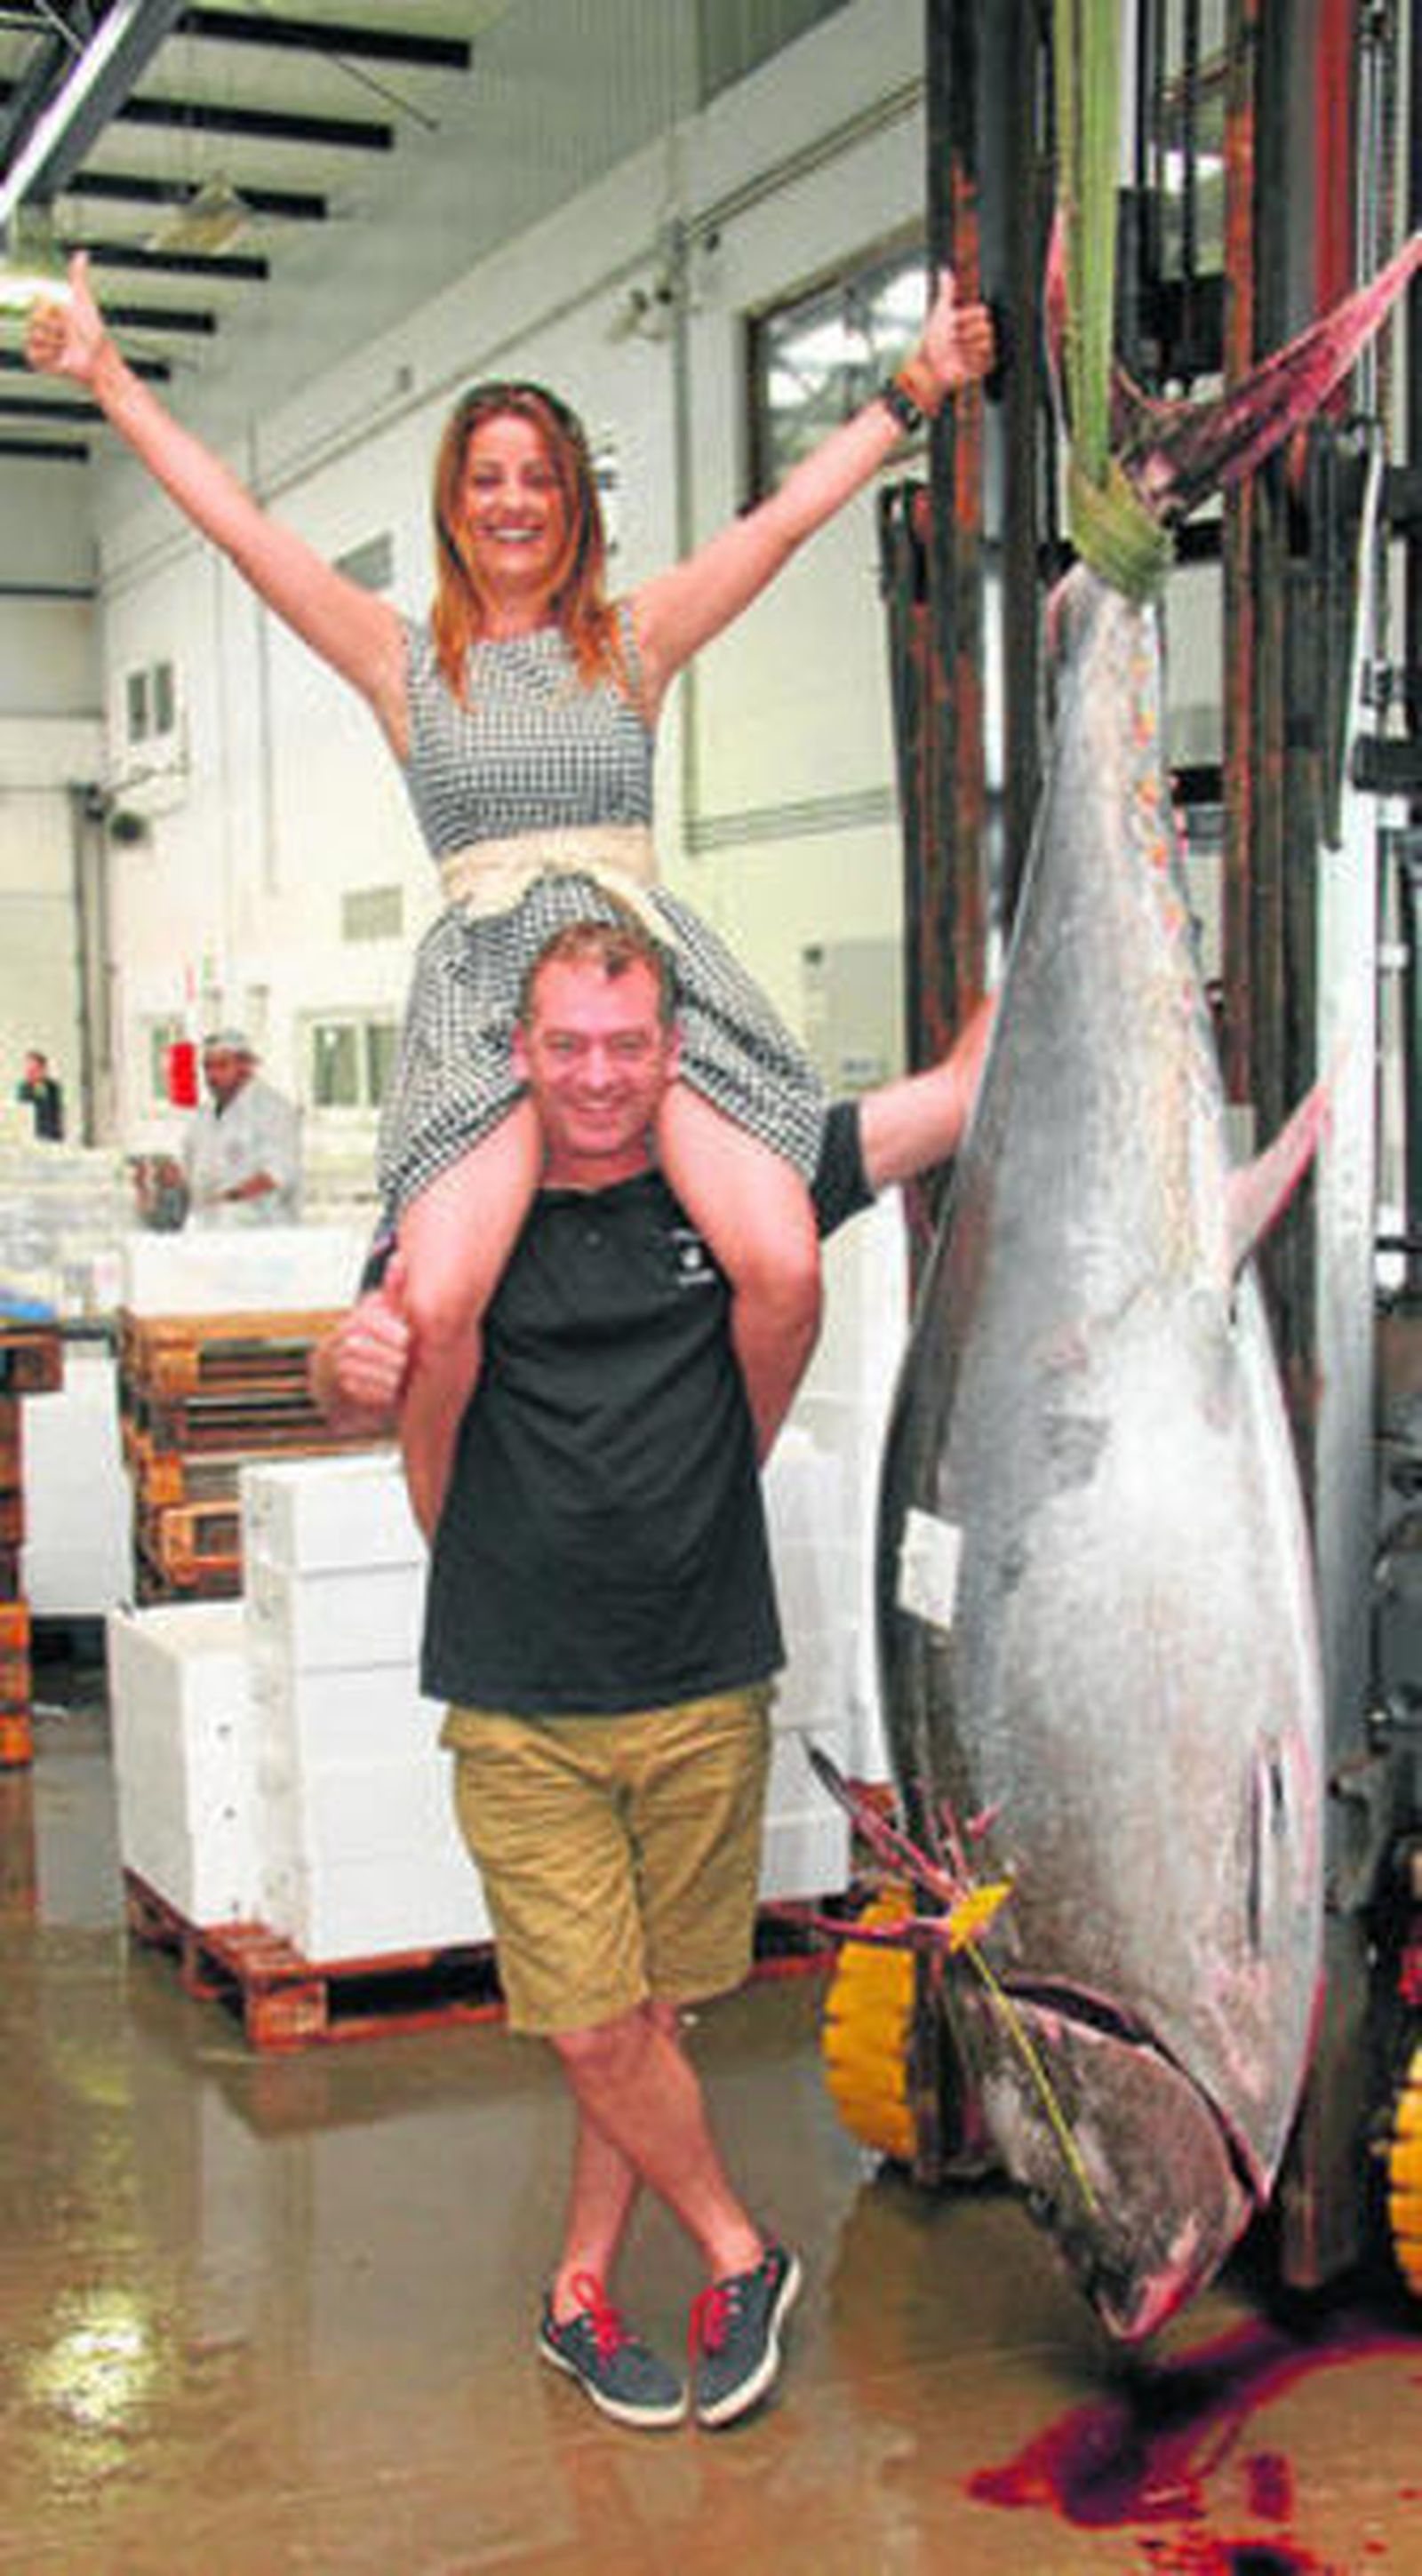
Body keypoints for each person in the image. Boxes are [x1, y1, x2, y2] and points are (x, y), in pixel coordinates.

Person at [26, 255, 994, 1536]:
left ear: (575, 501)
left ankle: (719, 1489)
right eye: (488, 478)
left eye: (539, 476)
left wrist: (910, 391)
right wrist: (107, 378)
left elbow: (773, 527)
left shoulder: (634, 640)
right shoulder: (403, 659)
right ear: (454, 504)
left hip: (628, 984)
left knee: (779, 1263)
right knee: (434, 1311)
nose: (515, 500)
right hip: (490, 1005)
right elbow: (245, 534)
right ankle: (458, 1549)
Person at [311, 915, 989, 2433]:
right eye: (568, 1046)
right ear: (518, 1053)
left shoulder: (744, 1181)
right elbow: (354, 1358)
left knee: (649, 2015)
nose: (600, 1077)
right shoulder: (455, 1209)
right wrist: (340, 1367)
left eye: (629, 1045)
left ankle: (577, 2290)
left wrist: (1061, 916)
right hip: (518, 1689)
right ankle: (744, 2250)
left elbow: (949, 1094)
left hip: (700, 1677)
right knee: (591, 2017)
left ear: (675, 1052)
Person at [179, 1029, 302, 1226]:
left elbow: (277, 1174)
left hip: (261, 1229)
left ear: (246, 1067)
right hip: (208, 1228)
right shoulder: (202, 1116)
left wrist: (227, 1198)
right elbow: (190, 1171)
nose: (212, 1076)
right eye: (207, 1067)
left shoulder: (274, 1110)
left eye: (221, 1066)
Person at [16, 1049, 63, 1142]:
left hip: (48, 1137)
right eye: (27, 1069)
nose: (29, 1072)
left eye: (33, 1069)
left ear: (43, 1070)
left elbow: (45, 1109)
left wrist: (38, 1084)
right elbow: (20, 1111)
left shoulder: (51, 1088)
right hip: (27, 1137)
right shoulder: (23, 1087)